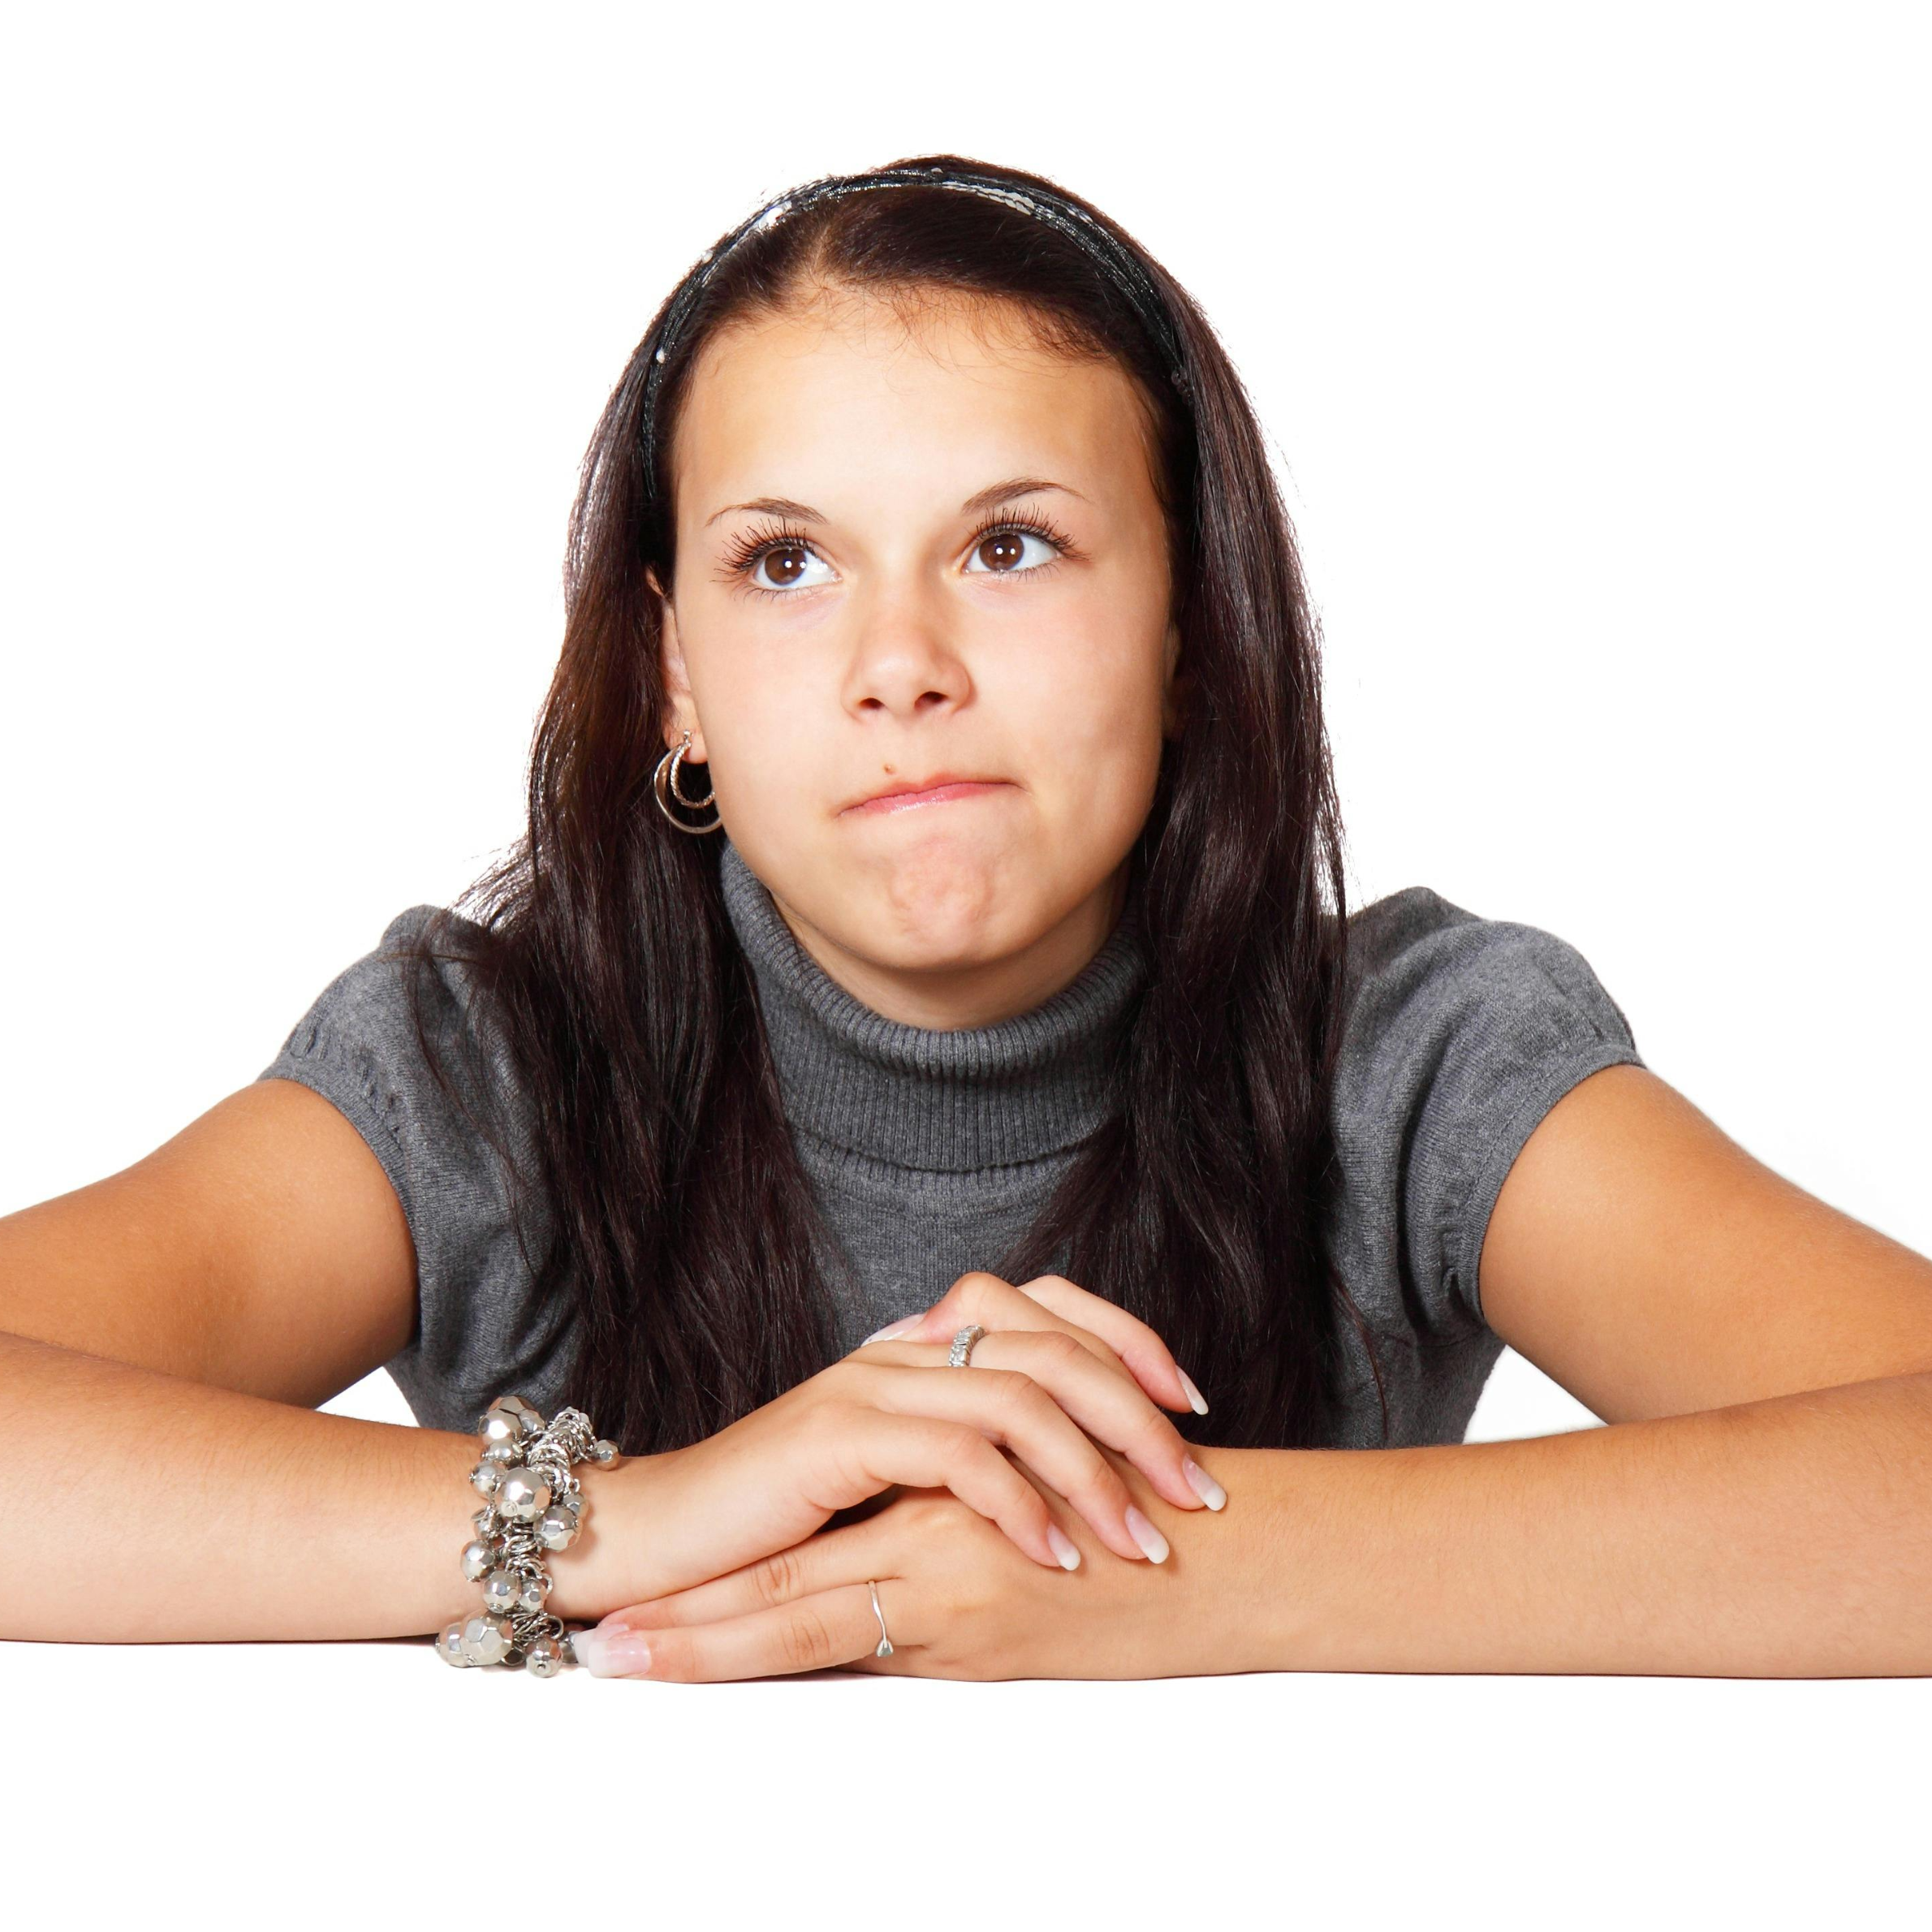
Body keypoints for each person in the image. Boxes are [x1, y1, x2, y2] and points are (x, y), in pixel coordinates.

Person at [10, 155, 1930, 1682]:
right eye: (785, 563)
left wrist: (1193, 1564)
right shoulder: (486, 1069)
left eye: (1008, 546)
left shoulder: (1408, 1060)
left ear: (1188, 627)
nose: (898, 662)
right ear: (673, 677)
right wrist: (643, 1511)